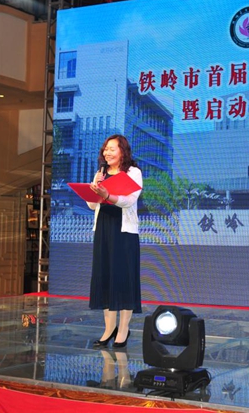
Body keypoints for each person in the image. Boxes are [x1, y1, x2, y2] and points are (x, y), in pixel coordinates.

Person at [88, 134, 142, 348]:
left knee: (124, 278)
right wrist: (94, 192)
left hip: (124, 231)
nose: (107, 152)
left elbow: (129, 201)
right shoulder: (100, 173)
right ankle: (108, 329)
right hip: (103, 228)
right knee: (105, 277)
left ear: (122, 151)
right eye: (105, 149)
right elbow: (92, 205)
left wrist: (107, 195)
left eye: (112, 149)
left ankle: (123, 330)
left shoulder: (133, 172)